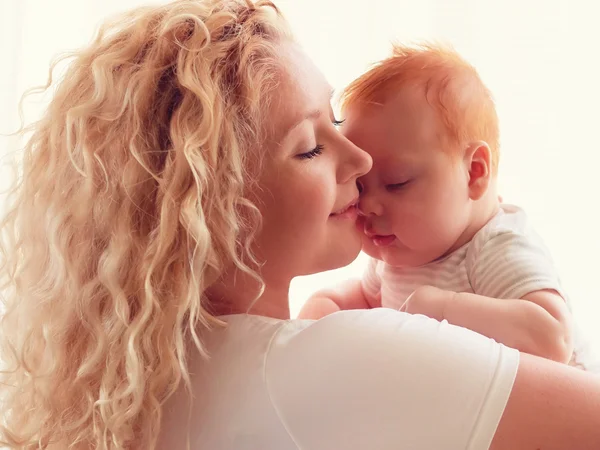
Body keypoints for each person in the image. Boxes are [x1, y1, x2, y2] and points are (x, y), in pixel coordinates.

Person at [0, 1, 598, 449]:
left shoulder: (144, 389)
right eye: (312, 146)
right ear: (213, 204)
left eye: (337, 120)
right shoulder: (348, 359)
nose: (361, 163)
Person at [299, 44, 596, 370]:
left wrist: (441, 309)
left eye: (396, 182)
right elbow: (372, 299)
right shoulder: (397, 253)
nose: (367, 205)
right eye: (360, 186)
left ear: (474, 172)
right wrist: (328, 306)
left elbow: (553, 338)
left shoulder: (493, 247)